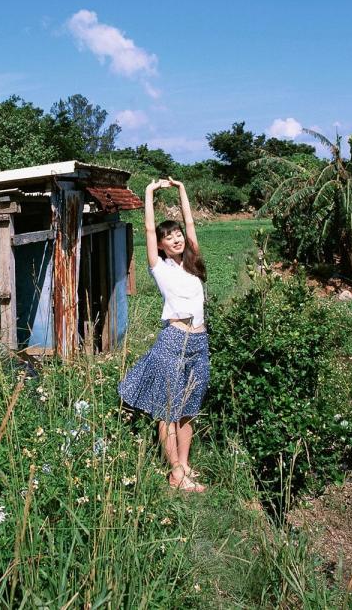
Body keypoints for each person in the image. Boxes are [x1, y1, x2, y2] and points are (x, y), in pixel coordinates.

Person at [118, 177, 210, 492]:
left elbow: (190, 222)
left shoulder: (193, 261)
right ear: (160, 245)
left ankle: (184, 465)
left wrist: (183, 189)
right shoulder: (160, 268)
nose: (176, 238)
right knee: (169, 411)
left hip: (200, 344)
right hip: (173, 342)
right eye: (168, 237)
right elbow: (147, 229)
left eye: (177, 234)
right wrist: (148, 193)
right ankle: (174, 472)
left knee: (188, 410)